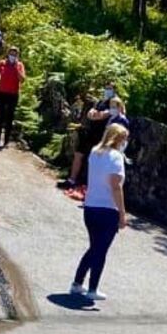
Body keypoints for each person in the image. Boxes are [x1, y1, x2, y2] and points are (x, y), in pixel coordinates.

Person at [70, 123, 129, 301]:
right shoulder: (116, 157)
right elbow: (116, 186)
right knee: (100, 250)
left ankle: (77, 283)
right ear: (119, 139)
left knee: (94, 248)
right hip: (107, 209)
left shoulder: (95, 153)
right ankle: (92, 288)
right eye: (124, 138)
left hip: (90, 206)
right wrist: (122, 213)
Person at [57, 82, 116, 193]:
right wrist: (96, 115)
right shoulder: (101, 101)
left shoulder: (114, 102)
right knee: (79, 154)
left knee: (95, 160)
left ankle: (90, 186)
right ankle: (72, 180)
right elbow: (90, 113)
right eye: (106, 88)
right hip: (90, 131)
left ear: (114, 90)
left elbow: (103, 115)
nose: (107, 90)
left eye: (110, 89)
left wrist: (97, 115)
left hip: (102, 134)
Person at [0, 46, 25, 147]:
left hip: (13, 94)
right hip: (2, 93)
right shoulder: (2, 63)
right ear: (8, 54)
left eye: (15, 54)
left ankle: (6, 141)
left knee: (9, 118)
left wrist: (16, 68)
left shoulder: (19, 65)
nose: (12, 55)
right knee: (0, 117)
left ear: (17, 55)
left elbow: (22, 79)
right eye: (11, 53)